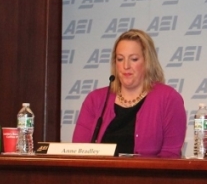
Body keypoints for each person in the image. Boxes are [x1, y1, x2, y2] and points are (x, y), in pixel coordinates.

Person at [72, 29, 187, 157]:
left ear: (148, 61)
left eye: (134, 59)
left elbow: (170, 155)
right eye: (120, 59)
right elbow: (79, 151)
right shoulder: (95, 99)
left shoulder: (168, 99)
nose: (126, 66)